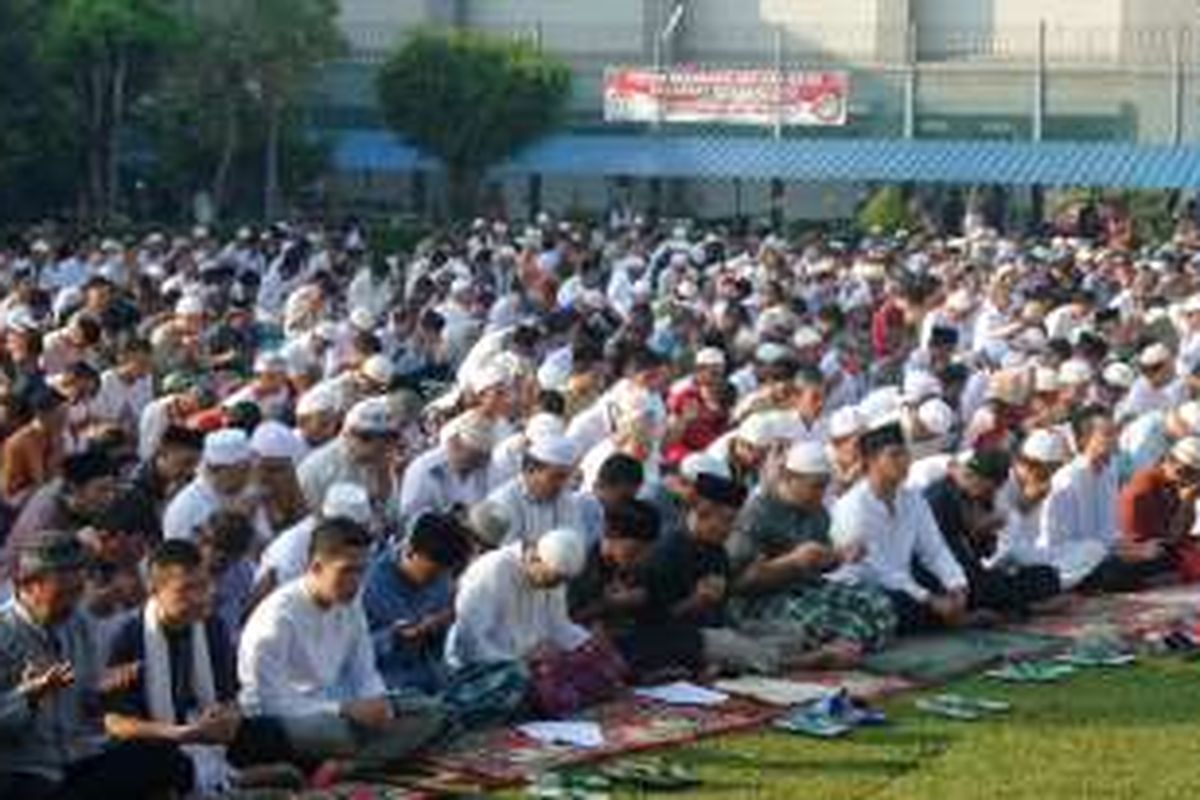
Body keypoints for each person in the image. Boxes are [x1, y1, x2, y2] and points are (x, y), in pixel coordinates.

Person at [1, 532, 193, 800]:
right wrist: (29, 697)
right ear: (28, 585)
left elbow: (89, 706)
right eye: (64, 594)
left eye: (78, 592)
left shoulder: (78, 623)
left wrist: (103, 689)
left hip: (78, 758)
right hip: (27, 770)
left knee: (168, 761)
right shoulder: (5, 634)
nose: (73, 602)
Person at [238, 518, 445, 768]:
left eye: (362, 571)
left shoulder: (350, 601)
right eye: (347, 571)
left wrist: (376, 702)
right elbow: (271, 703)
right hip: (290, 721)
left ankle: (346, 766)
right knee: (333, 731)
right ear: (316, 567)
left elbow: (363, 669)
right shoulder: (278, 618)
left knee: (428, 711)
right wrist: (343, 709)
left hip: (340, 707)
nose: (356, 582)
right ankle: (359, 759)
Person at [728, 441, 896, 667]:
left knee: (879, 603)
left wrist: (840, 556)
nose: (821, 494)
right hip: (764, 599)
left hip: (808, 589)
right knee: (813, 619)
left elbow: (821, 565)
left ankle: (841, 647)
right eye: (815, 486)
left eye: (824, 486)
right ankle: (835, 649)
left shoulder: (818, 512)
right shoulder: (756, 514)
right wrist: (791, 563)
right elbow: (738, 582)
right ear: (789, 478)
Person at [447, 527, 626, 716]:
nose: (556, 586)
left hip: (537, 662)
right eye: (553, 579)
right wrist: (520, 660)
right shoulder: (491, 571)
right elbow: (470, 645)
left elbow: (558, 626)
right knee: (521, 678)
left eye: (561, 581)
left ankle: (547, 701)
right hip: (489, 668)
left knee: (600, 659)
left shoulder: (553, 576)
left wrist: (589, 642)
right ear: (534, 558)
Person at [829, 420, 969, 634]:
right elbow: (876, 568)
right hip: (864, 585)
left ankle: (948, 614)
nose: (904, 462)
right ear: (871, 461)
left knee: (963, 586)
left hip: (904, 583)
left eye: (905, 454)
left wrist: (957, 584)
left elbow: (934, 548)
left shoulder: (913, 498)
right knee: (902, 607)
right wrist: (929, 599)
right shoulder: (853, 505)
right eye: (894, 455)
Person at [924, 450, 1062, 618]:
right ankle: (1023, 608)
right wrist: (976, 531)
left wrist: (984, 532)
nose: (991, 494)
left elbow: (985, 552)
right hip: (946, 581)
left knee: (1047, 575)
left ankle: (1013, 604)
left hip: (970, 574)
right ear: (977, 478)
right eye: (990, 488)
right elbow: (943, 556)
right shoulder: (939, 498)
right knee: (992, 588)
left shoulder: (972, 496)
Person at [362, 512, 472, 693]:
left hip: (434, 679)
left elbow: (441, 649)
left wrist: (441, 624)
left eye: (442, 574)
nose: (436, 581)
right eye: (431, 573)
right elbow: (348, 654)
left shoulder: (443, 579)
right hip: (387, 686)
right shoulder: (369, 585)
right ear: (409, 551)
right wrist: (393, 638)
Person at [163, 428, 270, 544]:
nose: (249, 473)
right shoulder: (185, 508)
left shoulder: (250, 491)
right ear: (216, 470)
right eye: (243, 469)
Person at [1118, 436, 1200, 583]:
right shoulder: (1145, 486)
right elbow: (1170, 539)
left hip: (1157, 549)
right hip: (1139, 555)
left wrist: (1189, 501)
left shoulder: (1170, 485)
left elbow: (1179, 535)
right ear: (1175, 465)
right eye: (1192, 474)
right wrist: (1187, 502)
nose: (1192, 481)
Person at [479, 432, 585, 546]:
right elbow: (508, 551)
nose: (563, 484)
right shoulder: (503, 501)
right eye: (557, 477)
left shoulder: (565, 499)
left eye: (566, 477)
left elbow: (575, 541)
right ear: (531, 470)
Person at [398, 409, 496, 524]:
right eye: (475, 455)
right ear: (454, 443)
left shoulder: (482, 468)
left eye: (483, 457)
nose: (480, 463)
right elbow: (411, 520)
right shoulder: (423, 470)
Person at [113, 424, 204, 544]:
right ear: (163, 452)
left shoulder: (188, 484)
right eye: (186, 463)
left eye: (196, 464)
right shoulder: (133, 492)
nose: (191, 471)